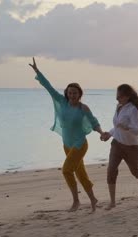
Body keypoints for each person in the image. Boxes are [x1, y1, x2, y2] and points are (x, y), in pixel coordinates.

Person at [29, 57, 104, 213]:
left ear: (80, 94)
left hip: (79, 144)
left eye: (75, 93)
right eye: (70, 92)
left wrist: (101, 132)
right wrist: (38, 72)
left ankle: (76, 201)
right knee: (80, 174)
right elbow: (48, 87)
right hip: (67, 144)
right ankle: (93, 199)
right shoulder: (62, 101)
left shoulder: (83, 108)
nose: (72, 95)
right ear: (66, 93)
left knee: (66, 171)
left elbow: (94, 121)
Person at [101, 84, 138, 210]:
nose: (117, 99)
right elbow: (117, 126)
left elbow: (137, 131)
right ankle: (112, 202)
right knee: (111, 170)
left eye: (120, 96)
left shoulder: (133, 110)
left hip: (131, 146)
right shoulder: (119, 107)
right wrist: (109, 134)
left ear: (127, 96)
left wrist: (126, 128)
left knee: (135, 170)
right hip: (117, 144)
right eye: (117, 96)